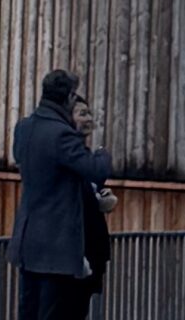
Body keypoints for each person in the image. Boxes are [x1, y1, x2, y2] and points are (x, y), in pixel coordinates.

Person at [10, 68, 112, 320]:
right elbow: (96, 171)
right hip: (57, 249)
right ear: (67, 98)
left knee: (28, 313)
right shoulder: (62, 134)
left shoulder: (24, 127)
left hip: (28, 244)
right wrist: (102, 152)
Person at [70, 90, 118, 318]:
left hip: (92, 249)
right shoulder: (71, 156)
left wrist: (101, 197)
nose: (88, 119)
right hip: (77, 252)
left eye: (89, 113)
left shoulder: (83, 155)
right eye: (82, 113)